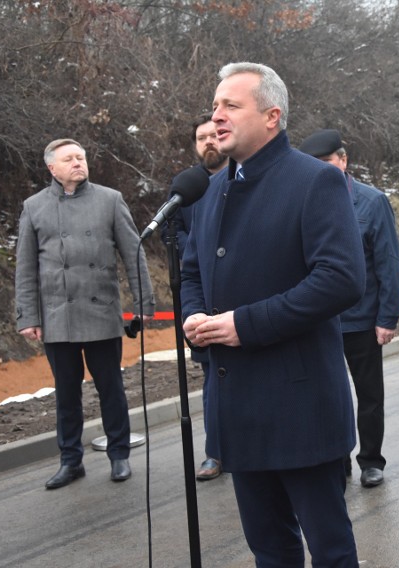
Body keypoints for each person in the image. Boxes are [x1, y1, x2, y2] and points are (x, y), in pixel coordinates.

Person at [180, 62, 365, 566]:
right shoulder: (208, 190)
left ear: (271, 116)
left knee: (328, 547)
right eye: (214, 106)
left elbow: (341, 279)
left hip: (300, 406)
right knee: (270, 549)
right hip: (236, 405)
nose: (216, 117)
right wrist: (194, 316)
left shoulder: (315, 182)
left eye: (230, 106)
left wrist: (244, 324)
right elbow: (192, 270)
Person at [15, 138, 155, 489]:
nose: (78, 162)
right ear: (52, 168)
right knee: (66, 393)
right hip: (56, 316)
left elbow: (133, 254)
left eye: (81, 157)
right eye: (69, 159)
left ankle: (119, 454)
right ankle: (70, 460)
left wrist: (144, 304)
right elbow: (25, 268)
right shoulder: (34, 207)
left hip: (101, 311)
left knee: (111, 388)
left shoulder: (110, 200)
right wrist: (28, 316)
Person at [298, 129, 399, 488]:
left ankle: (371, 461)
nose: (322, 170)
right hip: (319, 321)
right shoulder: (304, 202)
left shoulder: (372, 202)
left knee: (369, 395)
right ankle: (336, 457)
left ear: (343, 161)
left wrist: (387, 317)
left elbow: (388, 262)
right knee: (328, 396)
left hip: (362, 320)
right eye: (315, 165)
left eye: (327, 162)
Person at [162, 113, 229, 481]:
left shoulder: (243, 178)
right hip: (202, 293)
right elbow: (171, 234)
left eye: (214, 135)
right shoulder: (187, 186)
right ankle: (215, 453)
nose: (208, 142)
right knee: (212, 378)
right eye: (201, 137)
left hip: (241, 294)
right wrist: (199, 250)